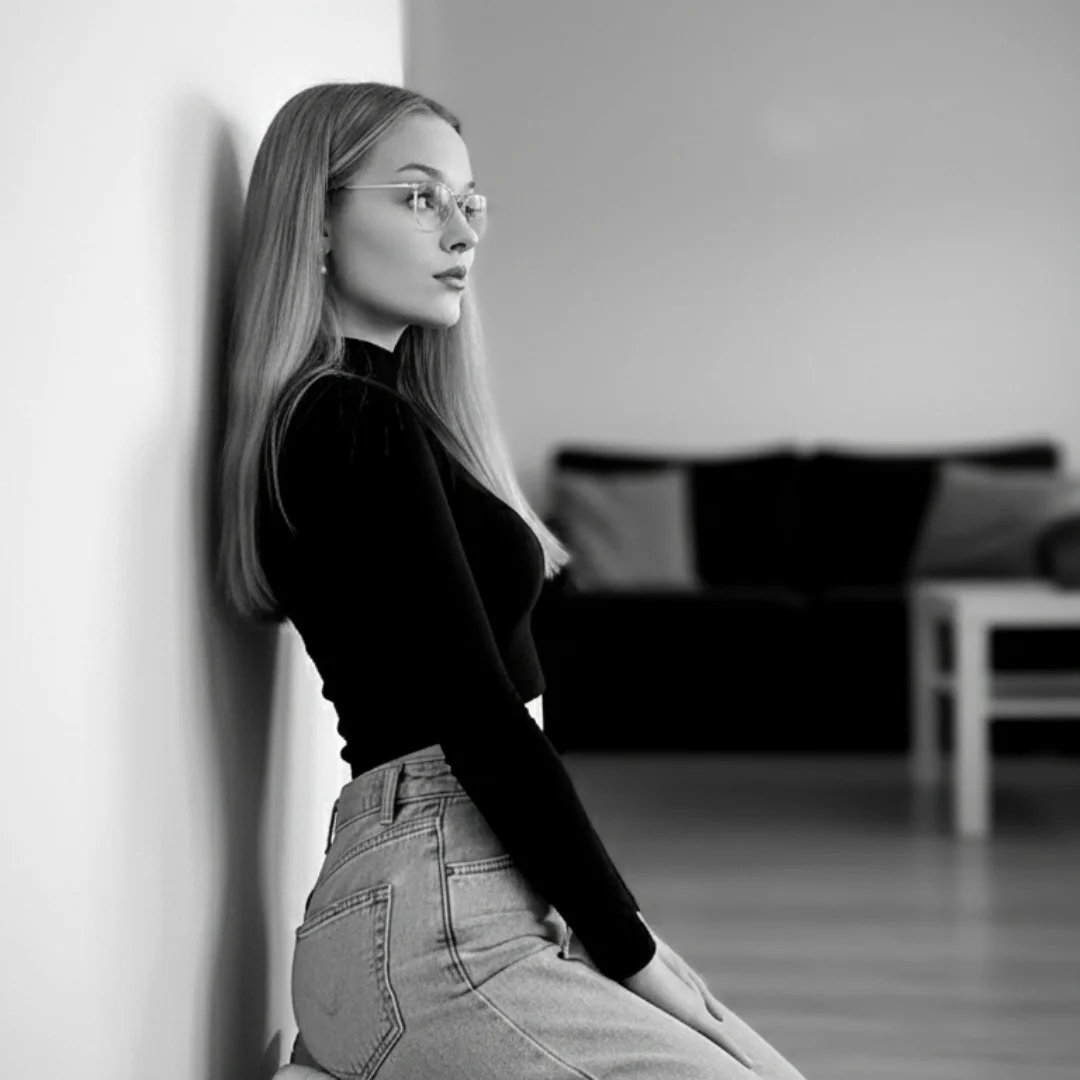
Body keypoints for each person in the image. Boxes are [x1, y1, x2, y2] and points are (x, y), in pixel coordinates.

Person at [218, 80, 809, 1079]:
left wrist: (604, 925)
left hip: (462, 890)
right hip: (434, 912)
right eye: (419, 197)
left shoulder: (386, 419)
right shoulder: (347, 420)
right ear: (315, 220)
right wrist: (633, 947)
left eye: (468, 202)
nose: (462, 231)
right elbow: (482, 719)